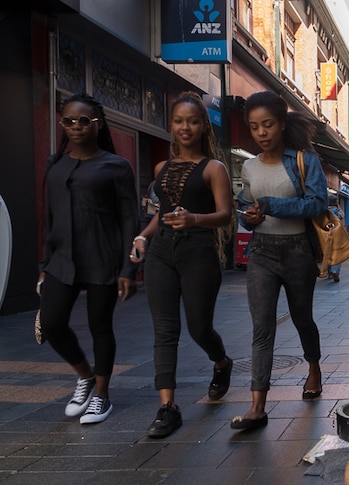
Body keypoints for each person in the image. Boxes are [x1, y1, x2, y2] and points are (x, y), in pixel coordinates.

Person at [130, 91, 234, 439]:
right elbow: (161, 214)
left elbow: (225, 215)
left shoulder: (214, 168)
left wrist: (193, 219)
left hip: (199, 254)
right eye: (178, 121)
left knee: (199, 328)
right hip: (161, 253)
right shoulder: (162, 168)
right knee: (165, 330)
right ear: (171, 126)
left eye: (192, 121)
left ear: (203, 125)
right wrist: (142, 237)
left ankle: (221, 363)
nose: (184, 127)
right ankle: (168, 407)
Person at [38, 93, 139, 425]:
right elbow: (50, 218)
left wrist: (128, 269)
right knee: (52, 323)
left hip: (102, 257)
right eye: (68, 120)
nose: (76, 126)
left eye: (84, 121)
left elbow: (128, 219)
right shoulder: (55, 165)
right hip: (61, 260)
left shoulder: (116, 166)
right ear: (62, 124)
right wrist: (44, 265)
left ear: (98, 124)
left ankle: (102, 396)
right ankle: (84, 375)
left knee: (100, 326)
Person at [232, 91, 328, 431]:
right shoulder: (248, 165)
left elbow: (317, 203)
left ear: (282, 124)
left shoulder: (304, 160)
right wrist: (251, 217)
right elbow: (244, 209)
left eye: (268, 124)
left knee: (302, 318)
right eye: (255, 126)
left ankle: (313, 367)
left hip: (298, 251)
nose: (261, 132)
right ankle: (257, 406)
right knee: (262, 328)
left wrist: (273, 205)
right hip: (261, 254)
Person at [327, 194, 345, 282]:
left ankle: (329, 272)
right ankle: (335, 270)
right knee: (337, 252)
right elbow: (342, 220)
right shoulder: (338, 211)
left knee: (328, 253)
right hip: (337, 233)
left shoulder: (324, 211)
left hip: (326, 234)